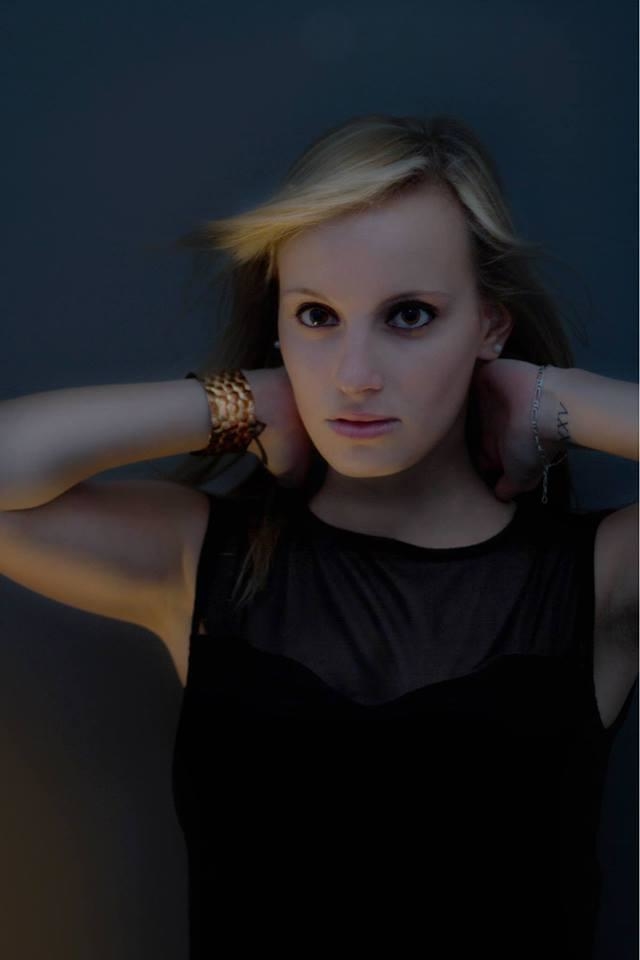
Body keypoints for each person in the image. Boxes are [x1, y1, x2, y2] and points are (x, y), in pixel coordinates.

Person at [0, 113, 637, 959]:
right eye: (316, 316)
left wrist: (555, 401)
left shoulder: (602, 575)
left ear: (491, 324)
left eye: (409, 315)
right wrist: (238, 404)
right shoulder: (201, 560)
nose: (354, 376)